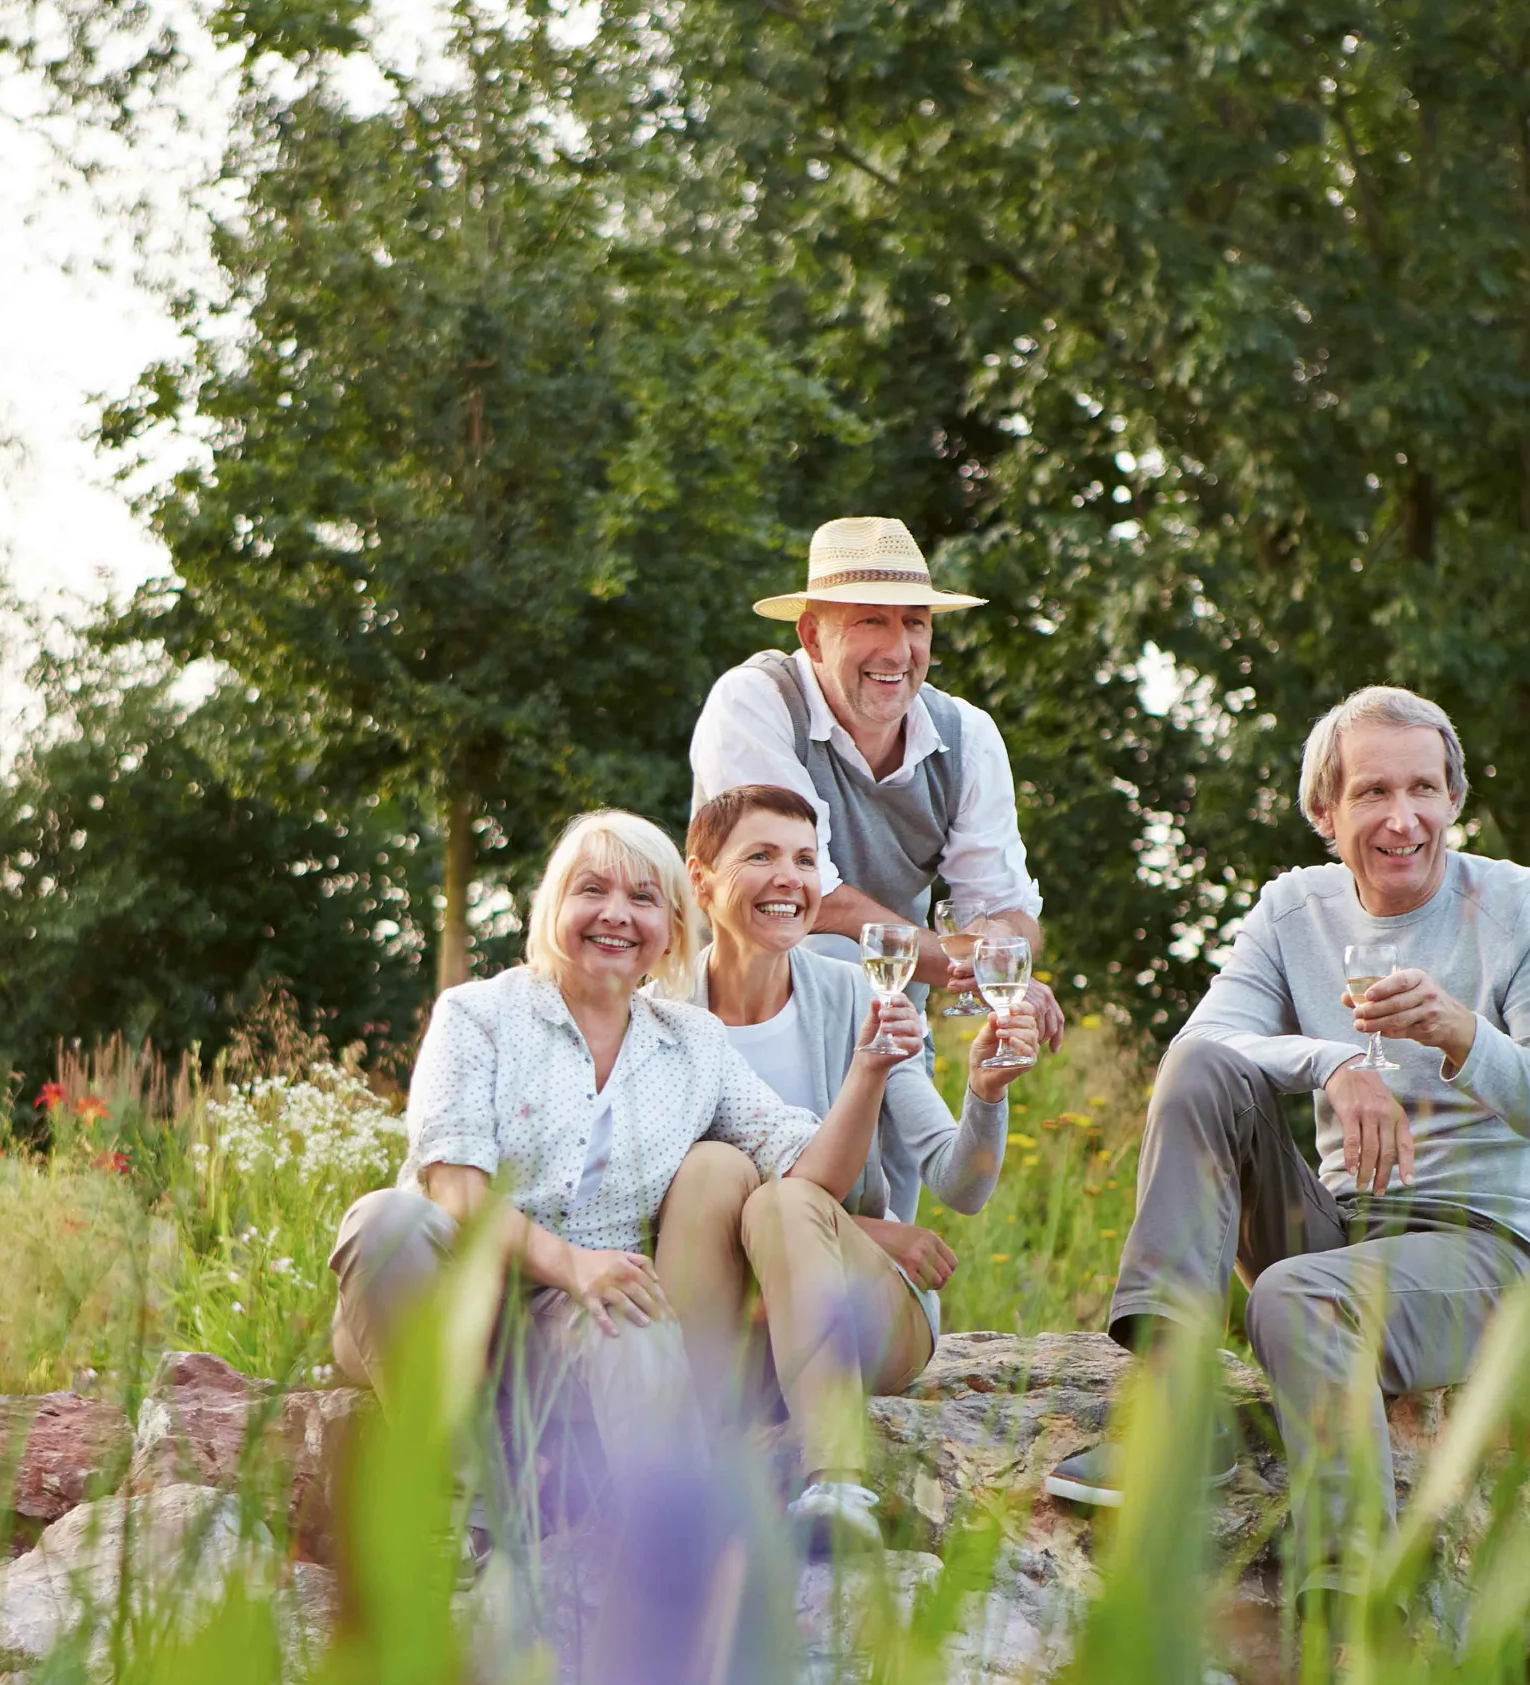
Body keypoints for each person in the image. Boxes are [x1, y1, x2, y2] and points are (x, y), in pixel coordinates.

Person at [1047, 686, 1530, 1685]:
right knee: (1208, 1075)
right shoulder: (1293, 910)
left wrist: (1458, 1034)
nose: (1404, 817)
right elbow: (1199, 1050)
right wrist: (1335, 1060)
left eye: (1425, 789)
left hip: (1487, 1247)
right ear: (1325, 812)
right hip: (1344, 1226)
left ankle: (1353, 1640)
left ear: (1454, 799)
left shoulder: (1528, 907)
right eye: (1375, 791)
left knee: (1298, 1297)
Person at [327, 809, 924, 1533]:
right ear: (554, 906)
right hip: (445, 1300)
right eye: (592, 890)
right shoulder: (479, 1015)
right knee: (388, 1220)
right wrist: (572, 1265)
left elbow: (808, 1173)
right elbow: (454, 1187)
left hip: (576, 1329)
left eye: (643, 898)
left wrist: (869, 1070)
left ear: (673, 928)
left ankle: (668, 1554)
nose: (616, 914)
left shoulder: (693, 1044)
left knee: (639, 1324)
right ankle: (463, 1507)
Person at [681, 783, 1038, 1544]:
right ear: (700, 881)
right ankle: (696, 1473)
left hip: (865, 1319)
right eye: (763, 856)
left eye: (808, 860)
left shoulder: (856, 994)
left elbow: (960, 1186)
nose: (791, 878)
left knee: (779, 1205)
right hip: (731, 1324)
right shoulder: (660, 1015)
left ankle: (836, 1487)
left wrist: (984, 1094)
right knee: (715, 1170)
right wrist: (876, 1230)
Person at [688, 515, 1066, 1220]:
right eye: (870, 621)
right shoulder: (756, 702)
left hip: (890, 1026)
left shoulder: (966, 735)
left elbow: (1012, 913)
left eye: (916, 624)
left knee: (890, 1227)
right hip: (750, 1026)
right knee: (761, 1214)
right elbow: (810, 902)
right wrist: (970, 966)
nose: (898, 649)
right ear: (810, 634)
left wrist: (1000, 963)